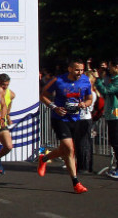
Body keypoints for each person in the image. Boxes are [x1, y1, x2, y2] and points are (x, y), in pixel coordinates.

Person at [38, 60, 93, 193]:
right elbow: (43, 95)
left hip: (76, 119)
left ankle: (44, 158)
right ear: (70, 69)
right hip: (59, 118)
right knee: (69, 148)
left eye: (81, 70)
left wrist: (84, 104)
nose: (79, 73)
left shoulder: (85, 81)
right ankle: (76, 183)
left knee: (64, 150)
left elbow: (89, 98)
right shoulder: (58, 80)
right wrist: (54, 107)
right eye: (76, 70)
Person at [93, 58, 118, 178]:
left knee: (116, 142)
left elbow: (107, 90)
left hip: (115, 115)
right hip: (111, 114)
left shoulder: (117, 81)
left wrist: (97, 80)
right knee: (114, 142)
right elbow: (105, 92)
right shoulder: (112, 79)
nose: (108, 69)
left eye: (110, 66)